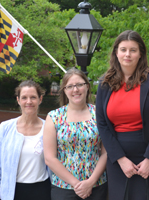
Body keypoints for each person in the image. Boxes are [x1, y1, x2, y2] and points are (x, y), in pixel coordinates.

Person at [96, 30, 149, 200]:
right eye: (123, 49)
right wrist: (120, 159)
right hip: (118, 159)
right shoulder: (104, 83)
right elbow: (102, 123)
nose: (127, 54)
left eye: (133, 50)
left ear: (140, 53)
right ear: (116, 52)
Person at [43, 68, 107, 200]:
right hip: (64, 188)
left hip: (97, 186)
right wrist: (77, 184)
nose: (75, 90)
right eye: (70, 86)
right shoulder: (54, 117)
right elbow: (50, 158)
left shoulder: (100, 114)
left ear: (87, 87)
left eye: (79, 85)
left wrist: (90, 183)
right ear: (64, 90)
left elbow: (106, 152)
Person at [0, 80, 51, 200]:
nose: (29, 101)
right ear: (18, 100)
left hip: (42, 191)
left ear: (40, 99)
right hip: (12, 193)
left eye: (33, 97)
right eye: (24, 97)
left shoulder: (48, 128)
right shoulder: (5, 128)